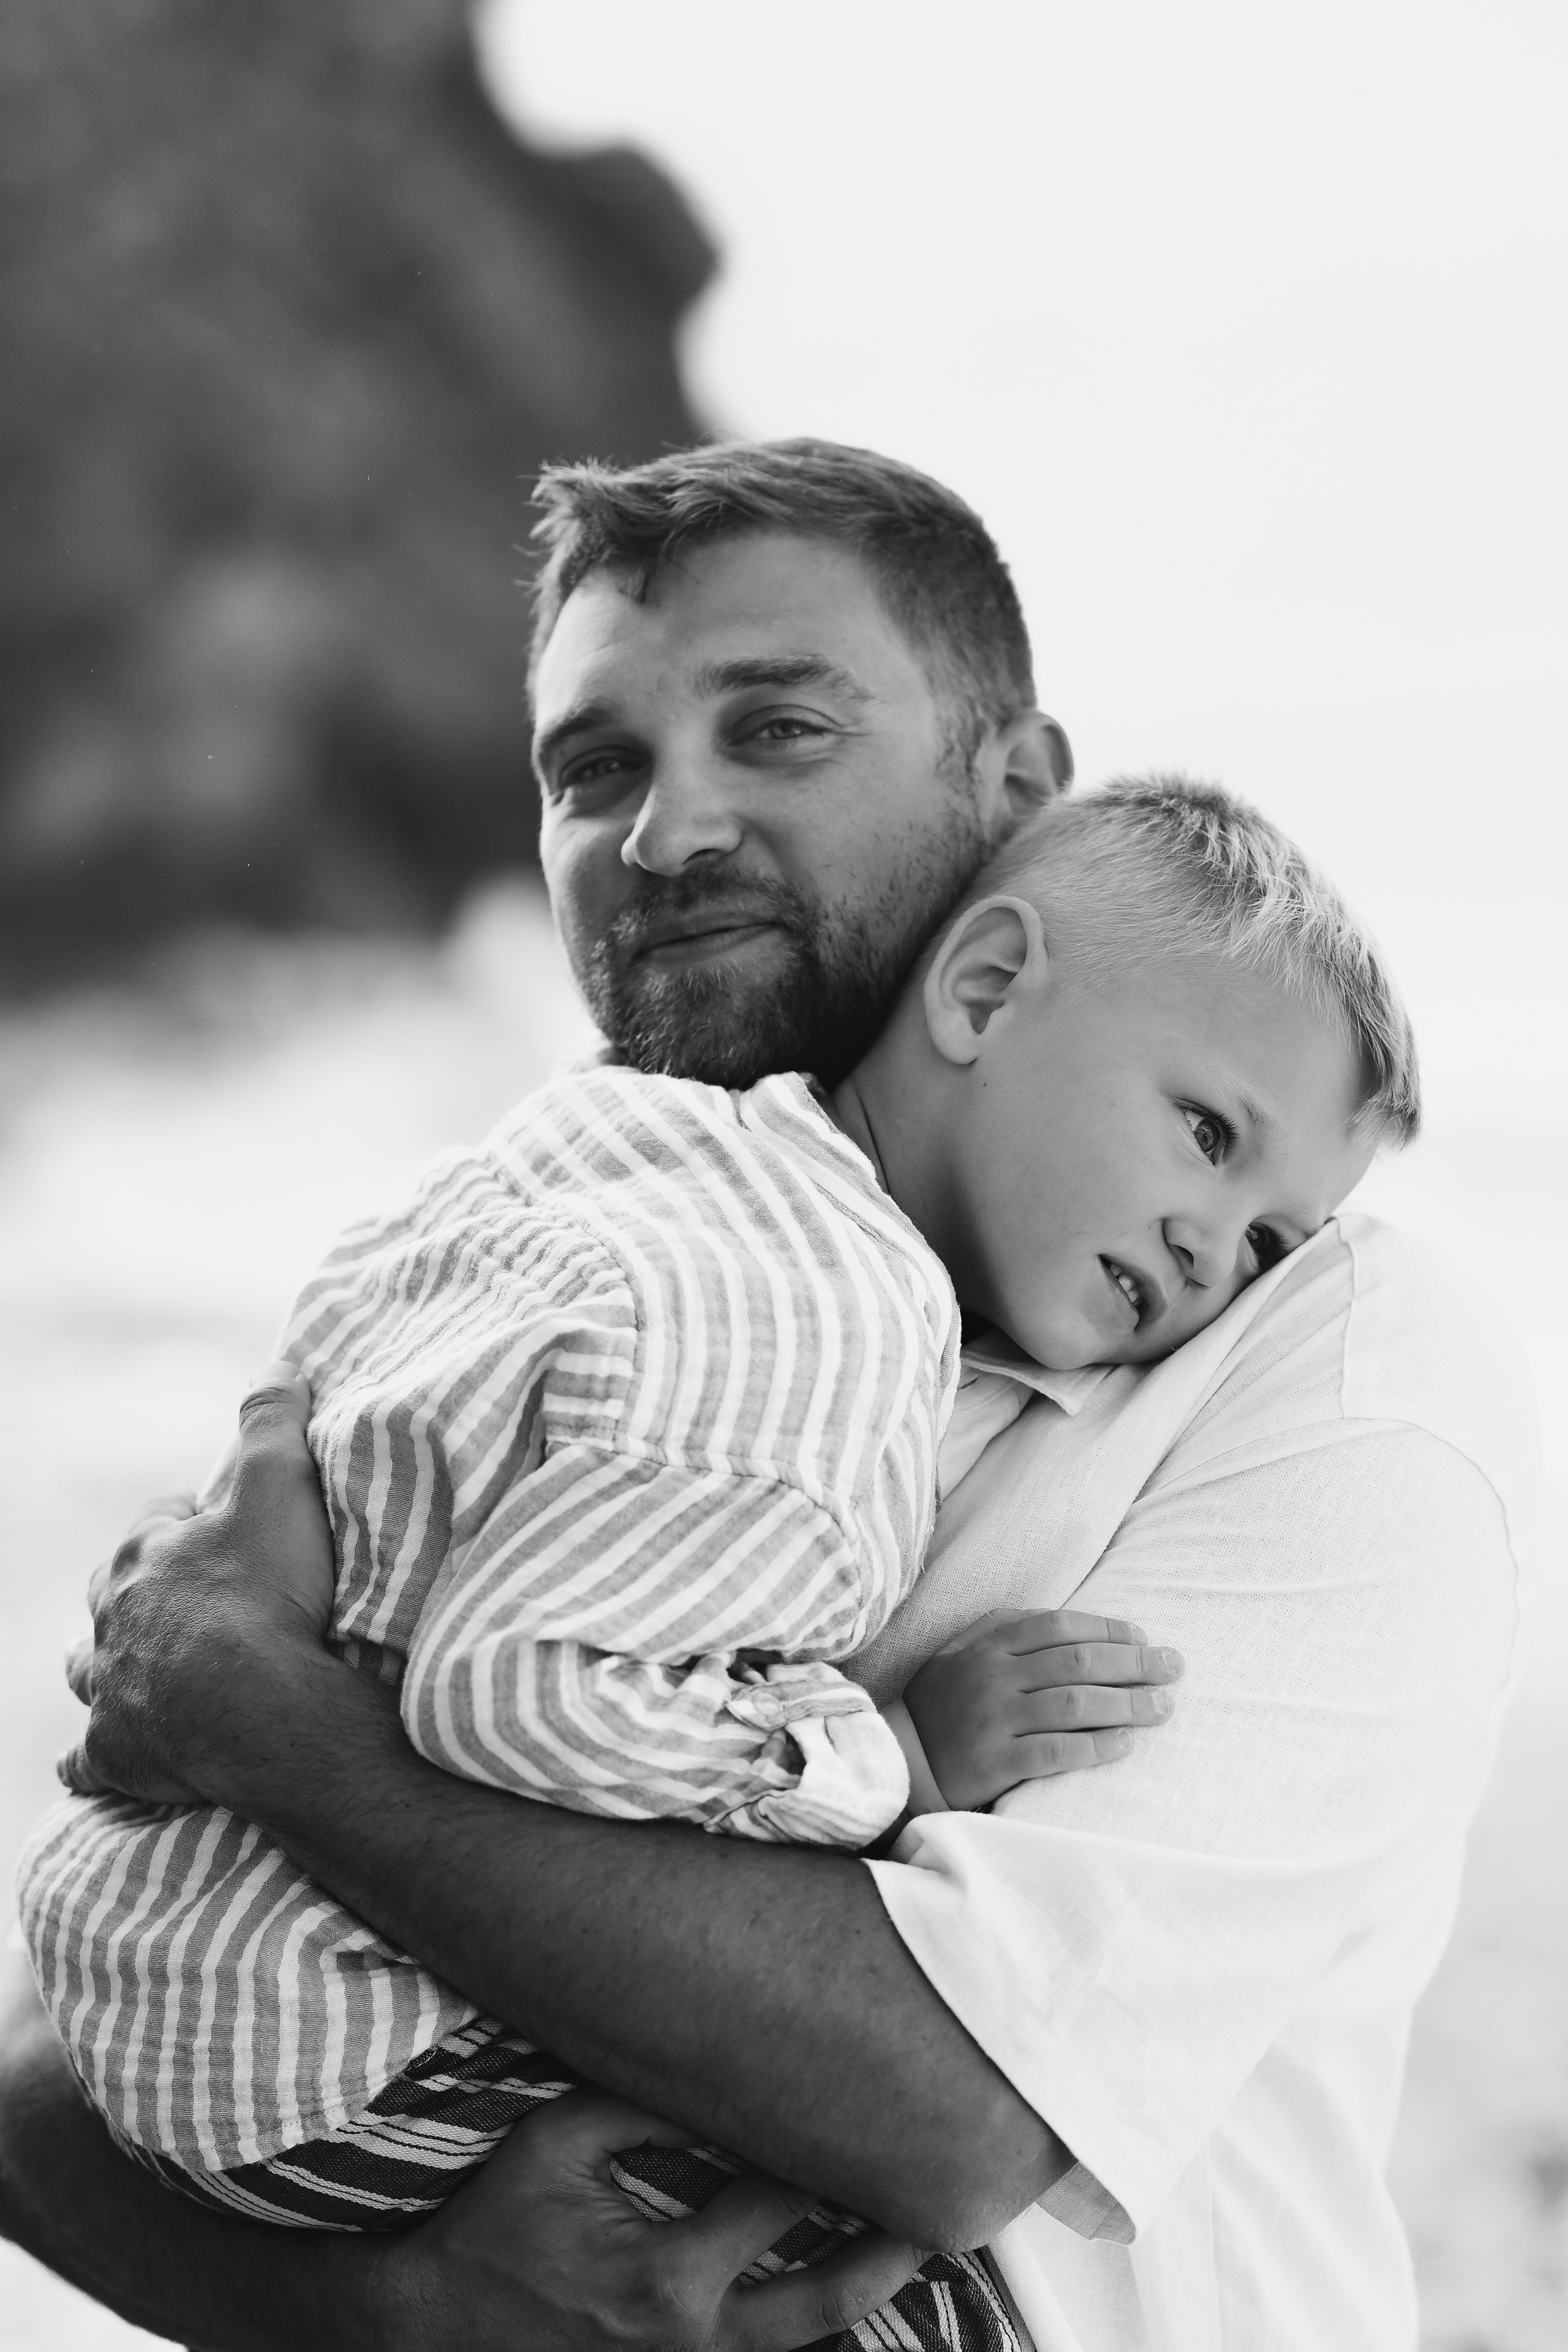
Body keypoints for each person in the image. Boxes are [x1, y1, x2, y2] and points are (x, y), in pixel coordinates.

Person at [0, 442, 1536, 2352]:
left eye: (780, 730)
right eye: (594, 769)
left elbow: (953, 2107)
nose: (666, 833)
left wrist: (282, 1733)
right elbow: (52, 2054)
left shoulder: (1324, 1357)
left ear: (1014, 799)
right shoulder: (551, 1252)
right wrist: (404, 2306)